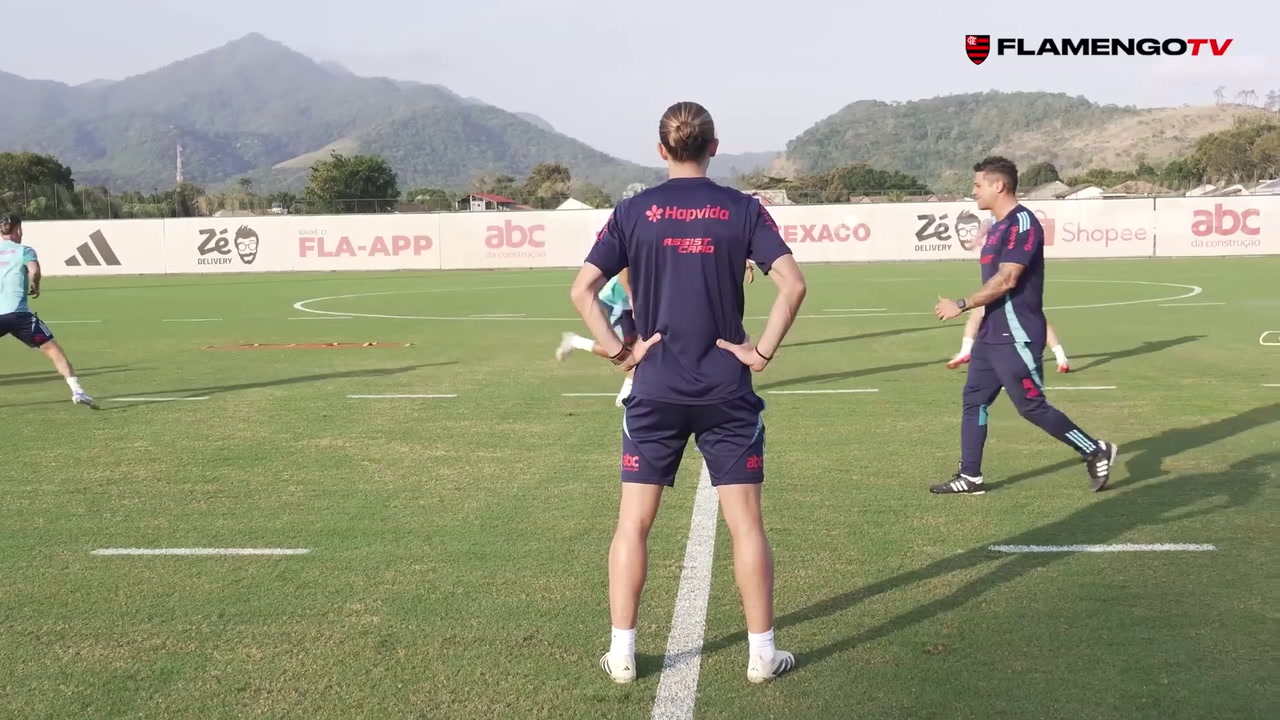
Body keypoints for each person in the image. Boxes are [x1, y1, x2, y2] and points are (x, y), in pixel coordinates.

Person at [570, 101, 807, 685]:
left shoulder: (633, 211)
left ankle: (622, 653)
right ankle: (762, 654)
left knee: (633, 524)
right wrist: (761, 352)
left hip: (654, 387)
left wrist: (619, 353)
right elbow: (794, 286)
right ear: (714, 147)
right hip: (727, 387)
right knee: (746, 525)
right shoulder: (742, 209)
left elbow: (582, 291)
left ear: (661, 149)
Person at [932, 157, 1115, 495]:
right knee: (974, 400)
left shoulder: (1023, 224)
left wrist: (961, 304)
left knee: (1030, 406)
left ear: (998, 185)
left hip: (1016, 334)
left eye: (978, 185)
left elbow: (1008, 279)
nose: (974, 191)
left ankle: (1094, 449)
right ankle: (970, 476)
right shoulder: (996, 227)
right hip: (991, 334)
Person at [947, 215, 1070, 373]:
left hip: (1003, 278)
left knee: (980, 311)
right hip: (1010, 277)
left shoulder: (1011, 220)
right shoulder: (1010, 222)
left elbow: (988, 223)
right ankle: (1060, 357)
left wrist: (979, 237)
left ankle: (966, 351)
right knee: (1034, 318)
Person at [0, 214, 96, 408]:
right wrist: (35, 286)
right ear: (18, 230)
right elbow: (34, 271)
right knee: (52, 349)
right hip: (20, 317)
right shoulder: (25, 251)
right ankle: (77, 391)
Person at [556, 268, 638, 406]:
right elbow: (625, 271)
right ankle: (575, 341)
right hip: (618, 300)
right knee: (621, 351)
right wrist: (632, 299)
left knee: (641, 347)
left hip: (634, 302)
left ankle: (627, 392)